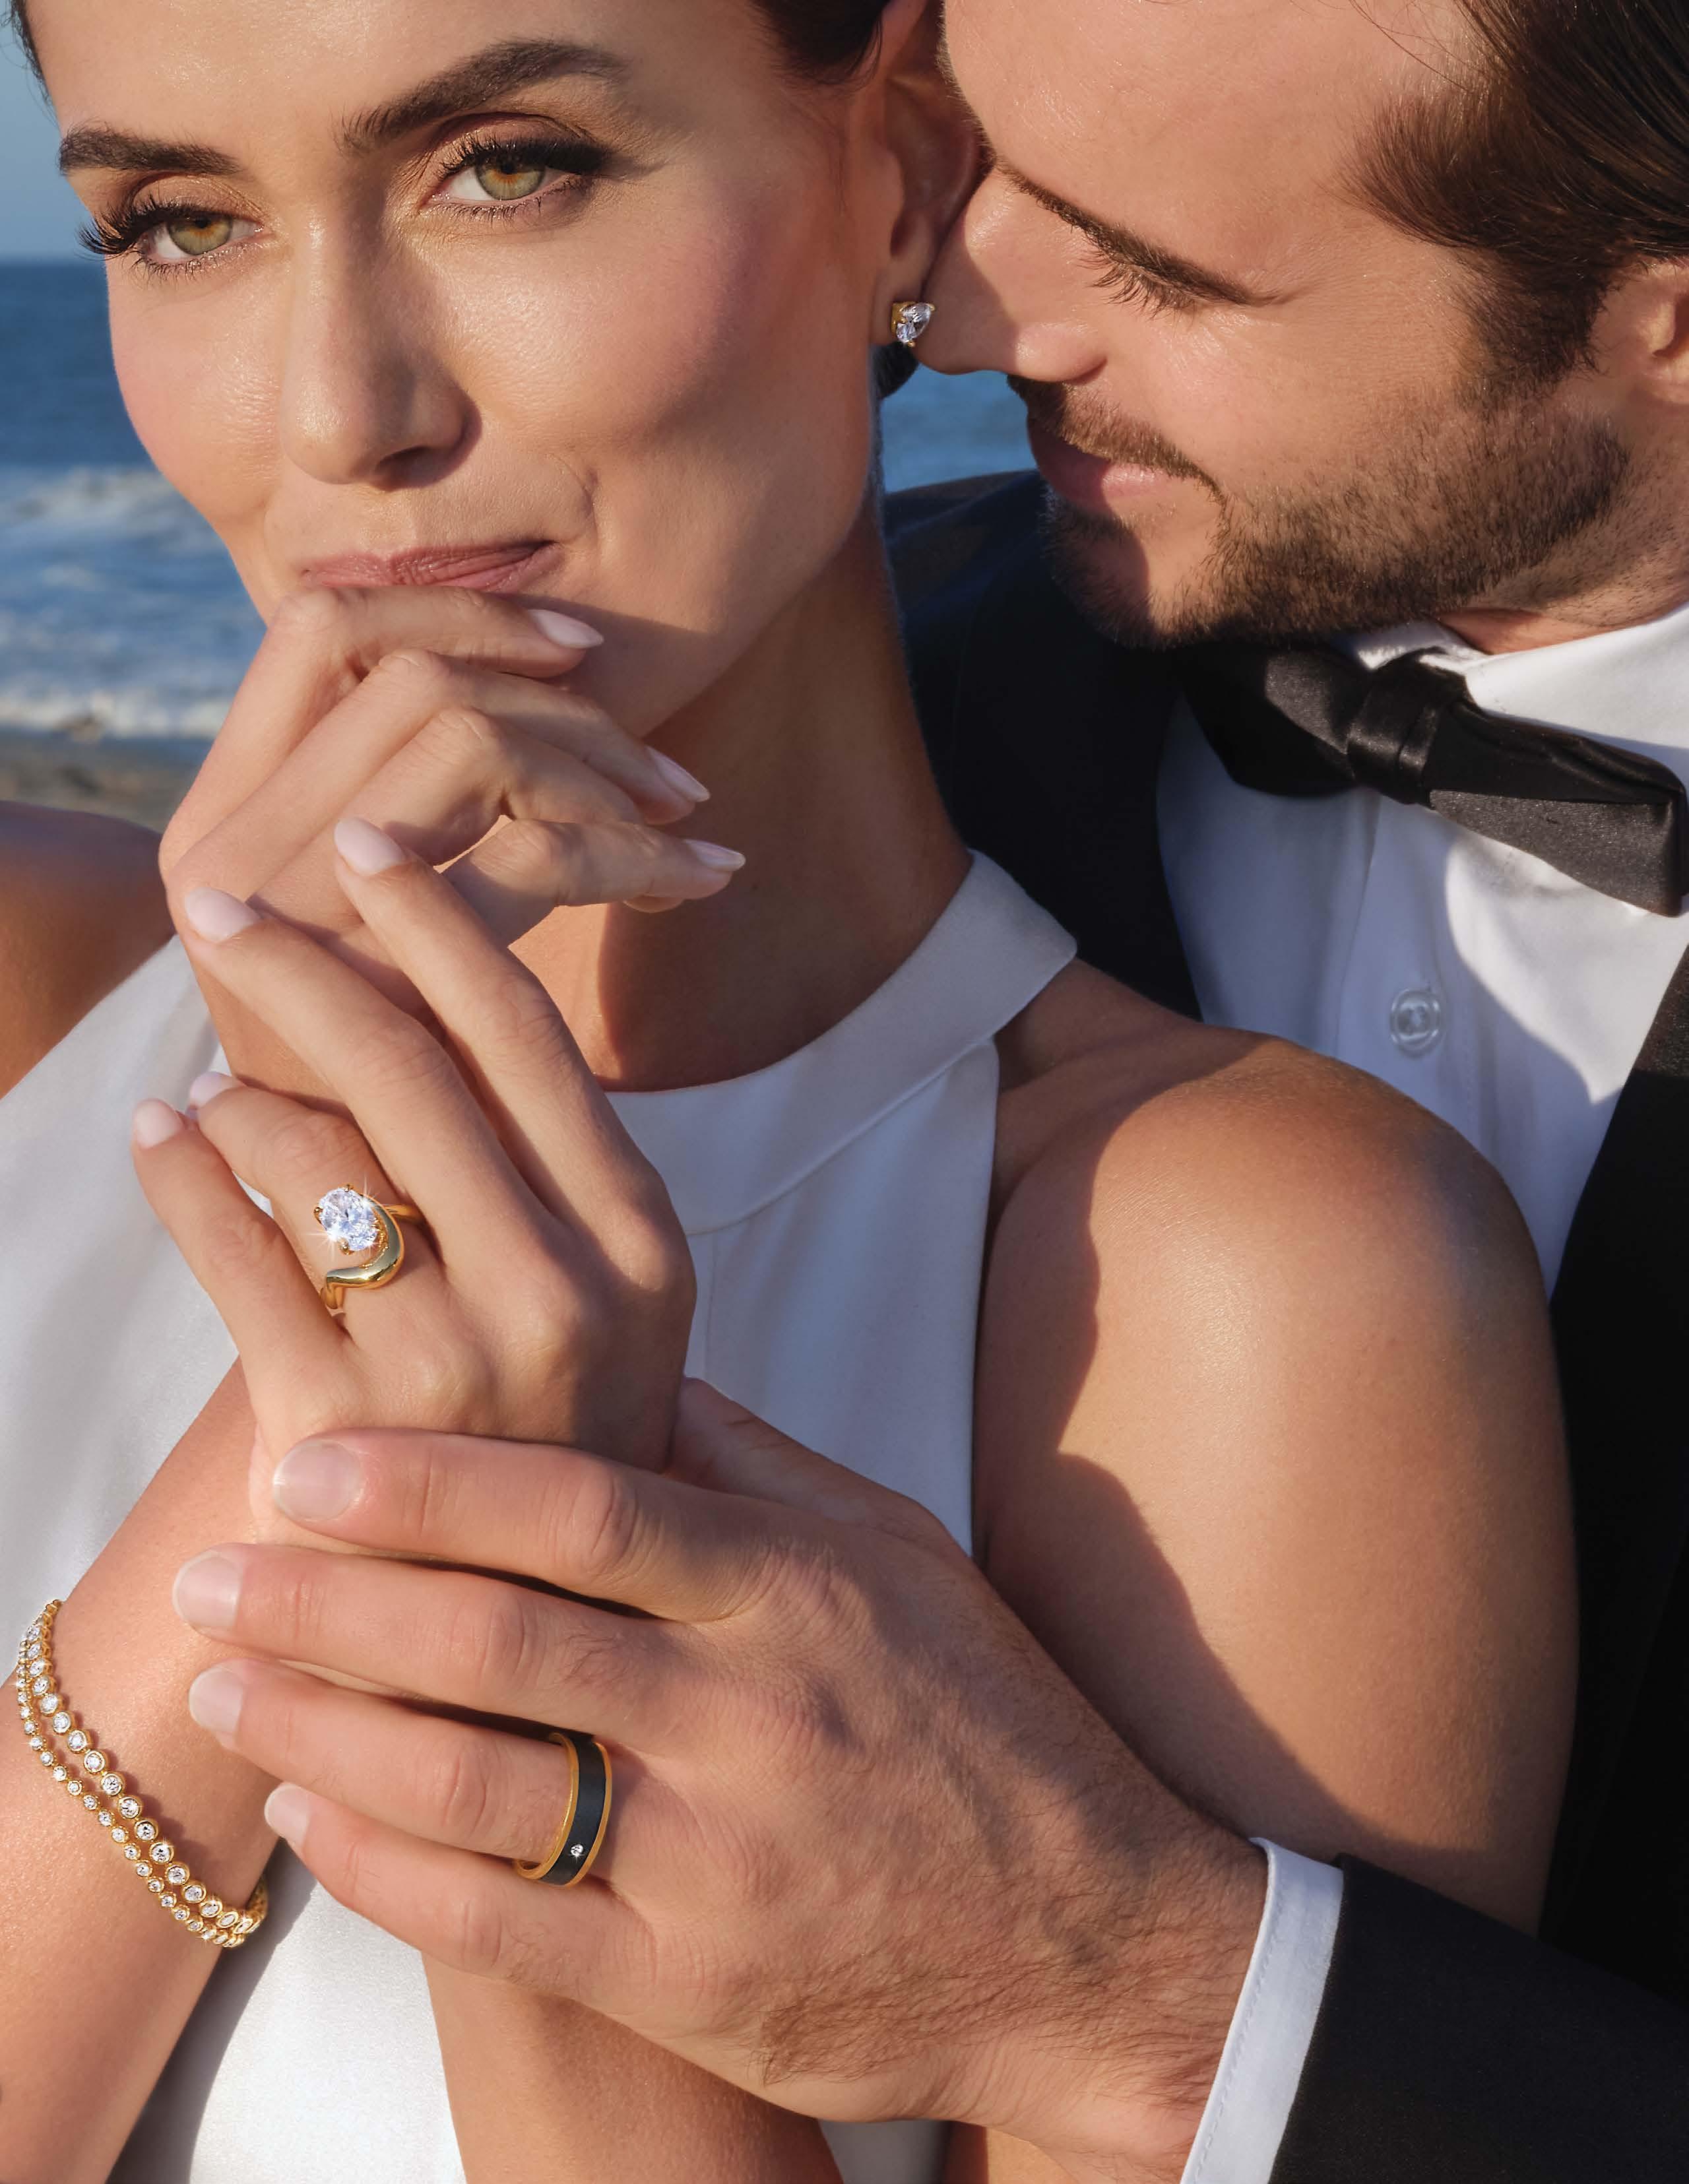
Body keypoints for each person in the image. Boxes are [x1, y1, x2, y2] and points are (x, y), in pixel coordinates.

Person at [96, 0, 1689, 2180]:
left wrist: (1149, 1996)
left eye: (1167, 269)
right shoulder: (815, 710)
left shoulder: (1243, 1231)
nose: (977, 315)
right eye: (172, 219)